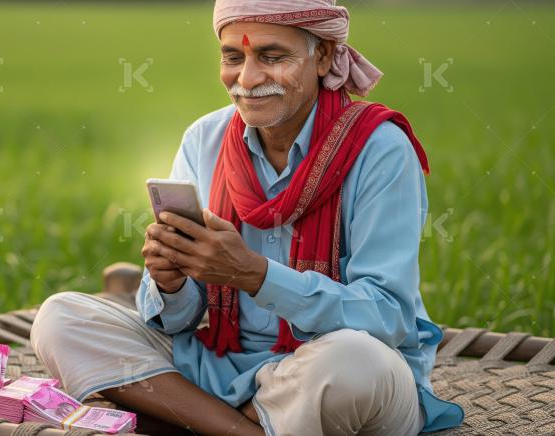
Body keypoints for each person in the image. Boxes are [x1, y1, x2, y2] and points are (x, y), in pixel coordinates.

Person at [32, 1, 465, 434]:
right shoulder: (205, 138)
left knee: (355, 363)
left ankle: (203, 419)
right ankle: (242, 428)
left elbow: (387, 318)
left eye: (273, 57)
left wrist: (255, 275)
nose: (248, 79)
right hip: (221, 368)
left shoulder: (380, 149)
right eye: (233, 57)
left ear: (324, 56)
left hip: (328, 374)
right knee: (61, 319)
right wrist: (171, 281)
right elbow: (178, 320)